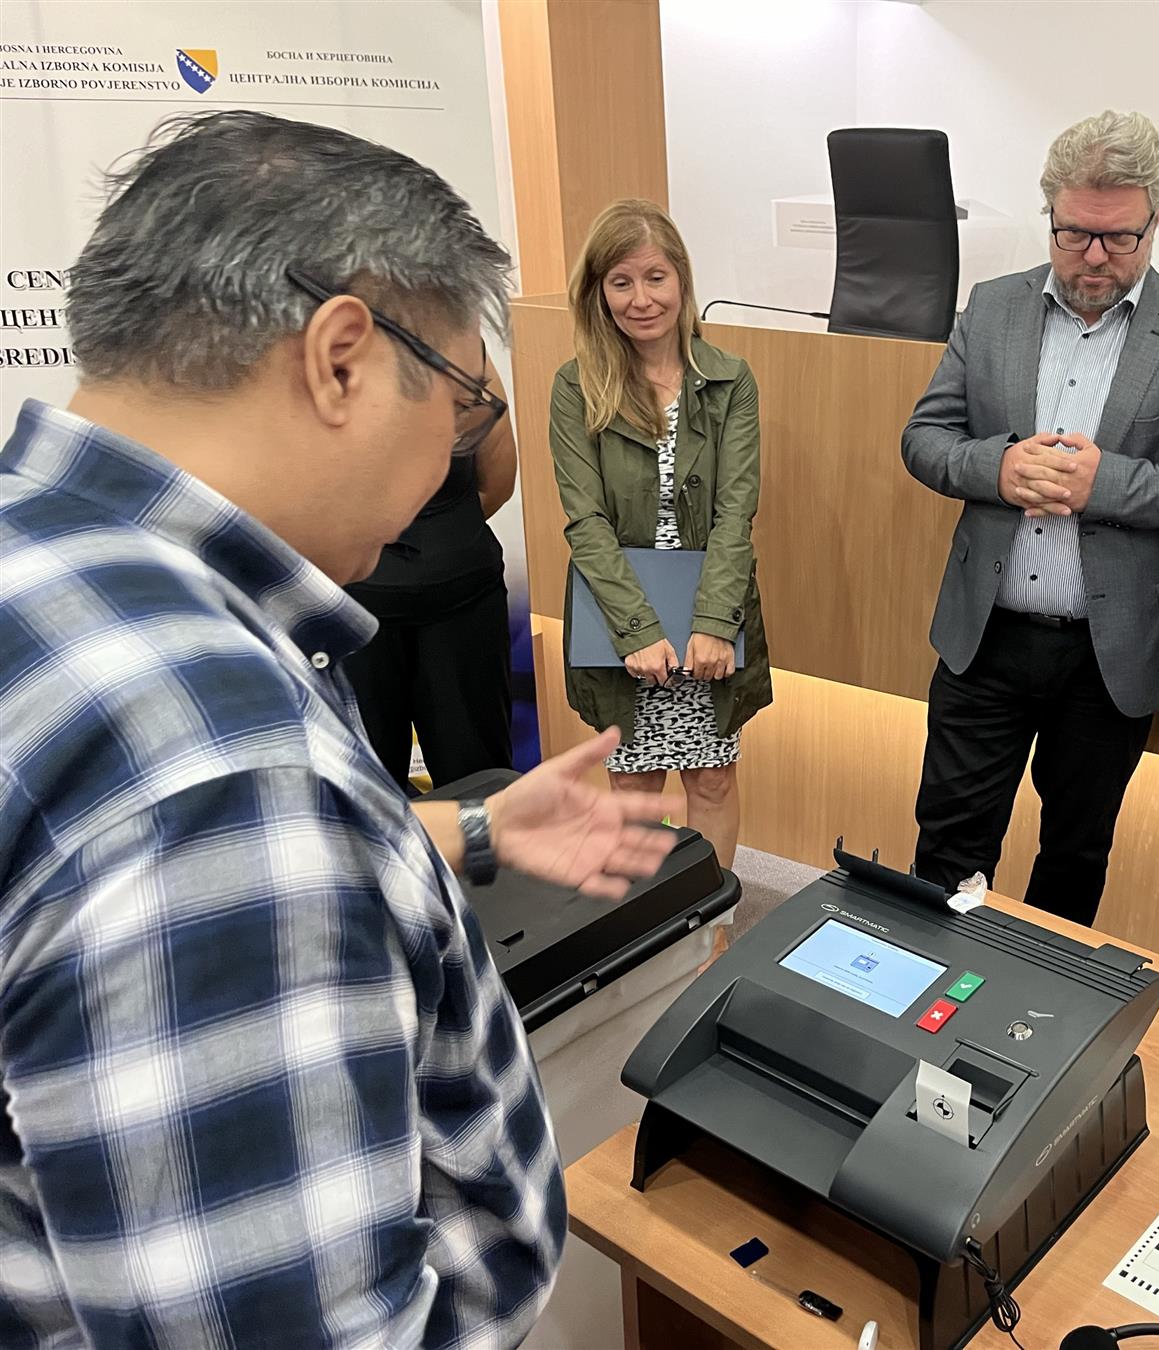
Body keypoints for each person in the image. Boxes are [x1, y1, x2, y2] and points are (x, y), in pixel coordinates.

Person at [0, 112, 677, 1346]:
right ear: (343, 359)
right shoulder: (225, 774)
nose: (453, 464)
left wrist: (459, 831)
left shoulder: (38, 552)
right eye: (463, 407)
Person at [901, 110, 1159, 927]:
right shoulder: (992, 308)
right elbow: (924, 439)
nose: (1095, 257)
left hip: (1112, 653)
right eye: (1074, 234)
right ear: (1052, 214)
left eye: (1119, 238)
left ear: (1156, 223)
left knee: (1073, 856)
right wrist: (996, 469)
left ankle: (1036, 1000)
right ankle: (930, 991)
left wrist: (1108, 484)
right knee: (947, 846)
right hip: (986, 636)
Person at [550, 198, 772, 870]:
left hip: (710, 613)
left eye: (655, 277)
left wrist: (713, 622)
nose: (641, 299)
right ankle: (650, 925)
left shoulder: (729, 379)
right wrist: (638, 630)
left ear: (681, 279)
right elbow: (584, 522)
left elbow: (736, 512)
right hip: (622, 616)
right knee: (635, 785)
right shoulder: (576, 385)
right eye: (621, 282)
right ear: (599, 292)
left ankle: (715, 922)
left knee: (712, 778)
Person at [343, 357, 518, 793]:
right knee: (364, 788)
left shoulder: (463, 346)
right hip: (351, 608)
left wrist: (440, 543)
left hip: (463, 595)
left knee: (480, 782)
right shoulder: (303, 347)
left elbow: (496, 481)